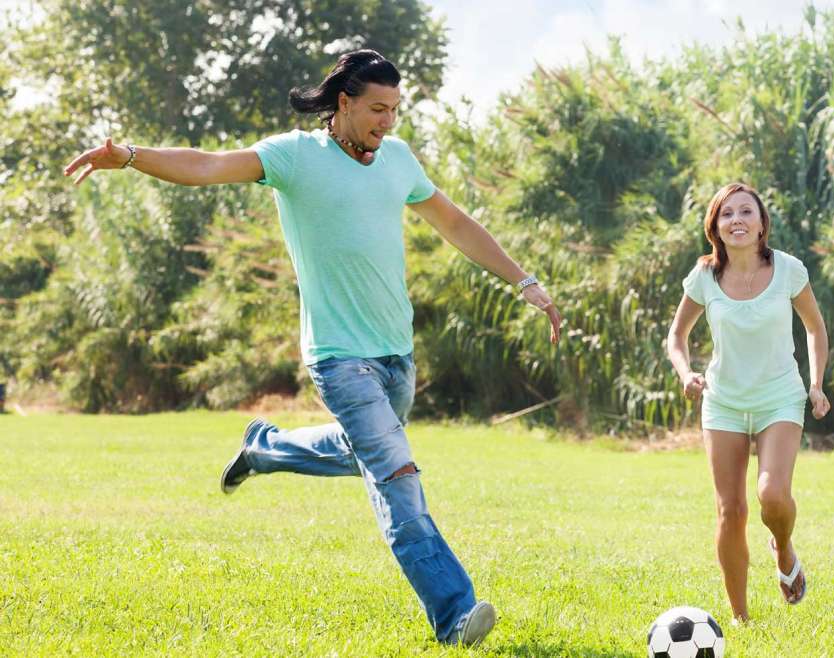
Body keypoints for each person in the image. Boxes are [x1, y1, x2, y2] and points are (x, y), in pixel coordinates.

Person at [63, 49, 562, 647]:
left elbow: (454, 223)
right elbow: (206, 165)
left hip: (395, 352)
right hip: (337, 355)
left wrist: (524, 280)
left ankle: (264, 448)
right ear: (344, 103)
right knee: (396, 474)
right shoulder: (294, 157)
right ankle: (455, 612)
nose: (387, 122)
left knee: (367, 456)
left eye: (395, 111)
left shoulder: (397, 160)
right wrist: (132, 156)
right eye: (377, 109)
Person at [666, 182, 831, 622]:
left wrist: (816, 384)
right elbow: (676, 336)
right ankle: (740, 618)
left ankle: (782, 546)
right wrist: (687, 373)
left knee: (772, 495)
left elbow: (814, 328)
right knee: (730, 510)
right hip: (723, 402)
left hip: (780, 395)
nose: (736, 220)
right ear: (715, 227)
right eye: (726, 214)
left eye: (745, 212)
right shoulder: (704, 276)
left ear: (761, 225)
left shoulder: (789, 270)